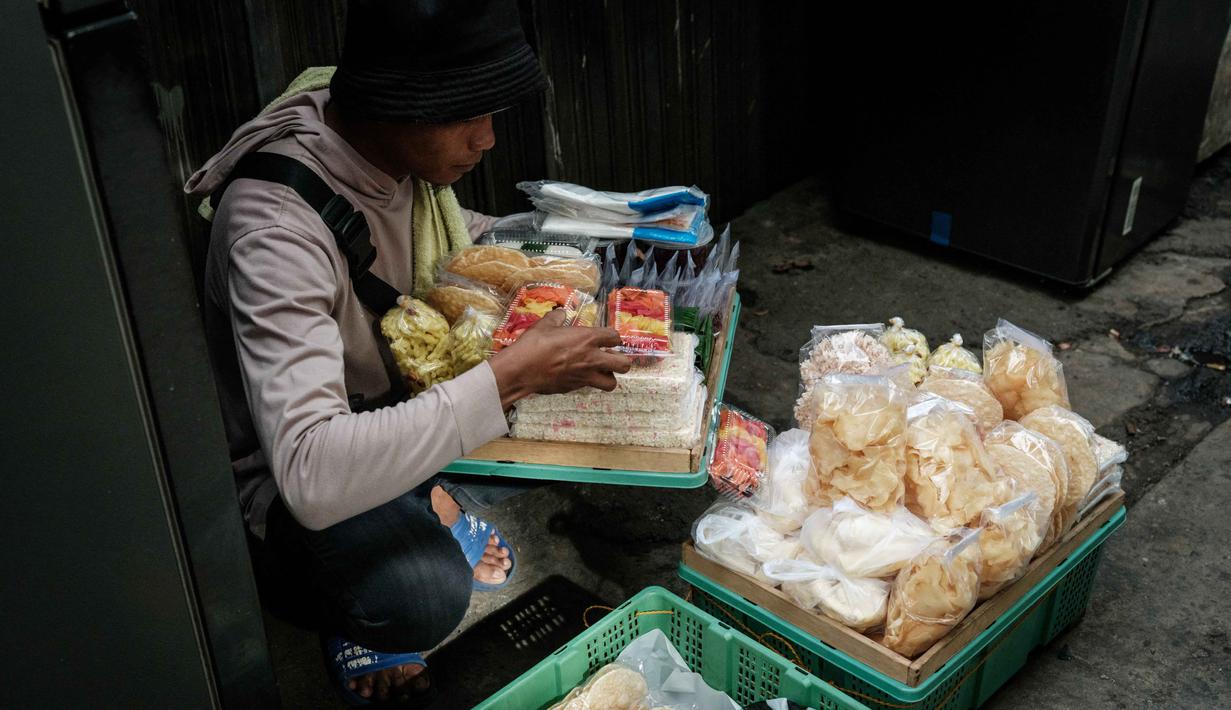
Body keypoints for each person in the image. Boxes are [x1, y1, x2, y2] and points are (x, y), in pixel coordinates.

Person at [184, 0, 631, 703]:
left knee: (601, 420)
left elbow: (448, 252)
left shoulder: (385, 147)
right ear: (395, 105)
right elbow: (309, 472)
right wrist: (505, 379)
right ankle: (362, 591)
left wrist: (583, 246)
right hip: (286, 477)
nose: (486, 139)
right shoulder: (272, 231)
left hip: (395, 394)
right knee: (419, 595)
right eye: (466, 115)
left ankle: (431, 493)